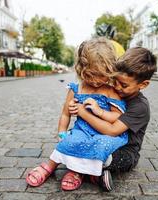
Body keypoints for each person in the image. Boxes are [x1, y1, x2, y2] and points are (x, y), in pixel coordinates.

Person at [26, 37, 129, 191]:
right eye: (90, 75)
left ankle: (77, 172)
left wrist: (99, 111)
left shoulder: (110, 91)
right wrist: (62, 132)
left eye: (101, 75)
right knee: (69, 141)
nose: (95, 80)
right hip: (82, 130)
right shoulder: (77, 89)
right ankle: (49, 167)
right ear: (81, 69)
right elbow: (65, 114)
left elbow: (118, 116)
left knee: (100, 146)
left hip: (103, 133)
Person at [68, 47, 157, 191]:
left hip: (124, 148)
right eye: (115, 80)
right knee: (77, 137)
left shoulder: (140, 107)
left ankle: (93, 170)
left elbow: (112, 130)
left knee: (115, 157)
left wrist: (84, 113)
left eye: (124, 85)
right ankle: (94, 173)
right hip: (99, 136)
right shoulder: (112, 90)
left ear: (143, 84)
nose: (116, 87)